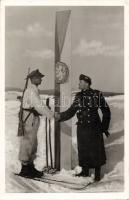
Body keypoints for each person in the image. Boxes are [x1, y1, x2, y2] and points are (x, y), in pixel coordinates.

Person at [55, 74, 111, 181]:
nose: (78, 84)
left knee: (96, 150)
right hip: (82, 128)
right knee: (83, 149)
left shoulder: (97, 95)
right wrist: (60, 116)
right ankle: (84, 172)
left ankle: (97, 174)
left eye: (80, 82)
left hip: (94, 127)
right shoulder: (79, 96)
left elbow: (106, 112)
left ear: (86, 83)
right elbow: (71, 111)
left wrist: (104, 127)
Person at [18, 69, 54, 178]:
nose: (41, 79)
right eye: (39, 77)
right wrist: (51, 114)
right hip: (30, 118)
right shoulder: (31, 90)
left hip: (32, 118)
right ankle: (25, 169)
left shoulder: (33, 90)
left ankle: (30, 167)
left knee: (32, 142)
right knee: (28, 142)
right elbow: (38, 106)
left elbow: (38, 105)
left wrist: (45, 110)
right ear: (33, 79)